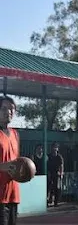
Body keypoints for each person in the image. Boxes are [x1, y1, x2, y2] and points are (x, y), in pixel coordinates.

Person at [0, 96, 20, 225]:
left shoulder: (15, 134)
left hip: (13, 194)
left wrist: (24, 170)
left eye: (12, 109)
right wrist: (6, 166)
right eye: (4, 108)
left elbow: (17, 161)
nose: (8, 112)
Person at [47, 142, 64, 207]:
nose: (54, 148)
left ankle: (56, 202)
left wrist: (61, 173)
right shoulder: (48, 156)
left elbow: (61, 166)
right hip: (49, 173)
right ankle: (48, 201)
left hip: (57, 174)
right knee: (48, 188)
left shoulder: (59, 157)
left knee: (56, 188)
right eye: (53, 147)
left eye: (56, 147)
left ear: (57, 149)